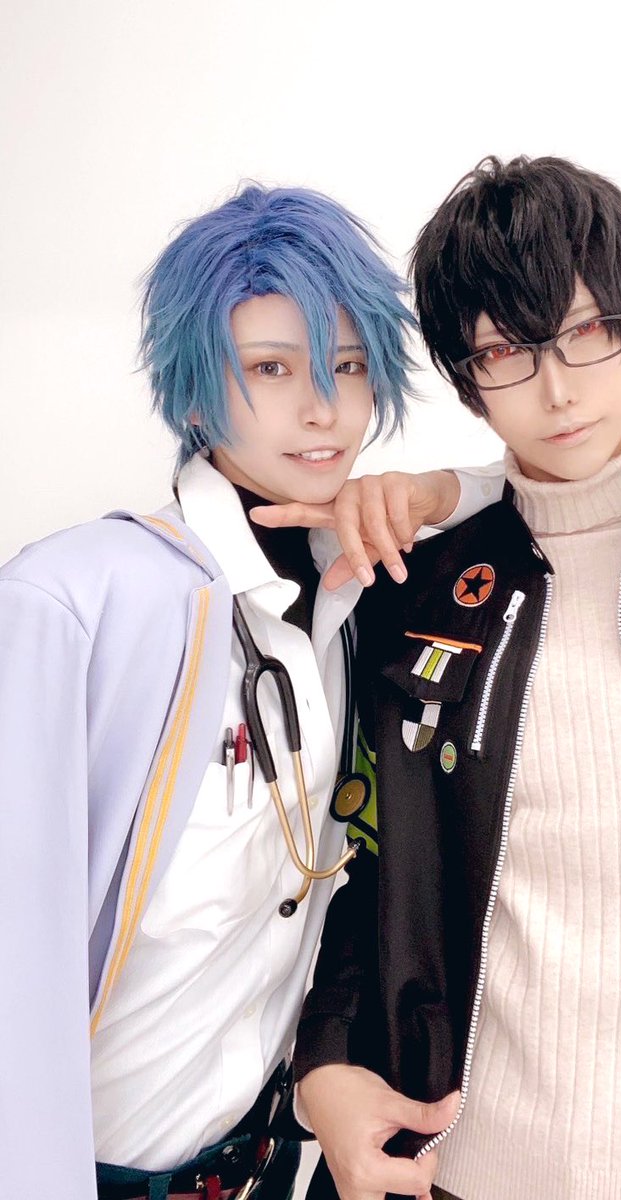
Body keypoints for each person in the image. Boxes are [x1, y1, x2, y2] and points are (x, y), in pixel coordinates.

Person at [288, 156, 621, 1200]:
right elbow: (374, 865)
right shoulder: (418, 590)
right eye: (505, 353)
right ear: (464, 374)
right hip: (477, 1166)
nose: (558, 388)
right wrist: (325, 1064)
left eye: (584, 332)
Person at [0, 183, 476, 1200]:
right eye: (270, 368)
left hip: (260, 1170)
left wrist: (430, 491)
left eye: (349, 366)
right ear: (191, 395)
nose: (322, 408)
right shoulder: (73, 601)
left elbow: (538, 491)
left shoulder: (354, 601)